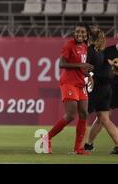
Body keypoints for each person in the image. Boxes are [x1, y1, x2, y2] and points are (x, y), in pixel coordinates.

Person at [44, 23, 93, 155]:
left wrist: (89, 75)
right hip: (69, 83)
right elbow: (61, 64)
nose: (80, 34)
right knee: (71, 115)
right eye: (77, 32)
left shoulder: (84, 47)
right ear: (74, 33)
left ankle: (78, 148)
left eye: (83, 32)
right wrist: (80, 65)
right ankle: (47, 138)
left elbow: (82, 68)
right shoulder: (69, 45)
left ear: (87, 34)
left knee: (84, 113)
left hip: (80, 83)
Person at [84, 29, 118, 154]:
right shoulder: (104, 52)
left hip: (98, 88)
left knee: (85, 115)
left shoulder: (91, 52)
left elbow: (88, 69)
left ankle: (81, 146)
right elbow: (105, 71)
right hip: (107, 88)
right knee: (103, 118)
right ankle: (88, 145)